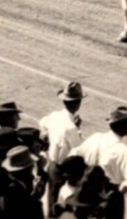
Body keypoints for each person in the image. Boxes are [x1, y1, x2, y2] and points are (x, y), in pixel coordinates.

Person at [74, 107, 127, 215]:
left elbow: (75, 154)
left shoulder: (96, 138)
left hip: (86, 192)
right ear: (121, 125)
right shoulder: (123, 150)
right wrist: (119, 191)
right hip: (109, 196)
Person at [39, 82, 85, 216]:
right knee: (63, 205)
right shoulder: (71, 127)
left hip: (52, 165)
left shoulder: (54, 116)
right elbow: (79, 150)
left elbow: (42, 124)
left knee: (52, 200)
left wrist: (47, 138)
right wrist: (78, 129)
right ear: (78, 103)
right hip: (65, 170)